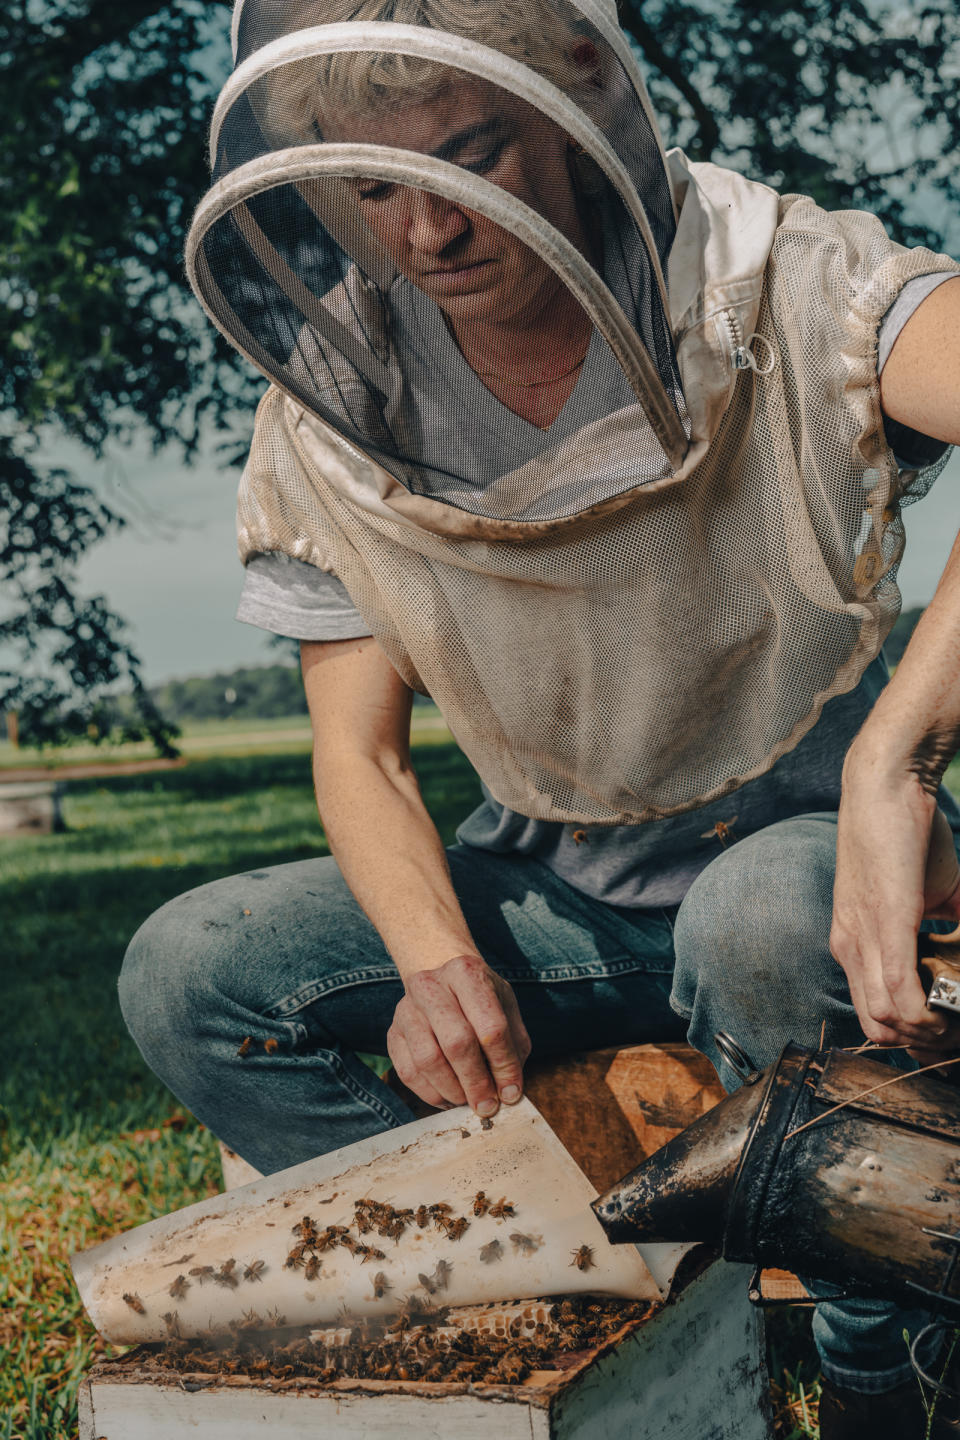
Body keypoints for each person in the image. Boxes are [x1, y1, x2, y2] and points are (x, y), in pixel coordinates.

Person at [120, 1, 960, 1433]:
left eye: (472, 156)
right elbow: (361, 752)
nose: (428, 226)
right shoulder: (339, 399)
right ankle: (560, 1288)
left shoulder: (778, 278)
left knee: (753, 916)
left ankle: (889, 1346)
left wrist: (896, 764)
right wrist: (436, 957)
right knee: (190, 969)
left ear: (579, 107)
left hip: (814, 877)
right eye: (377, 188)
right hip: (562, 901)